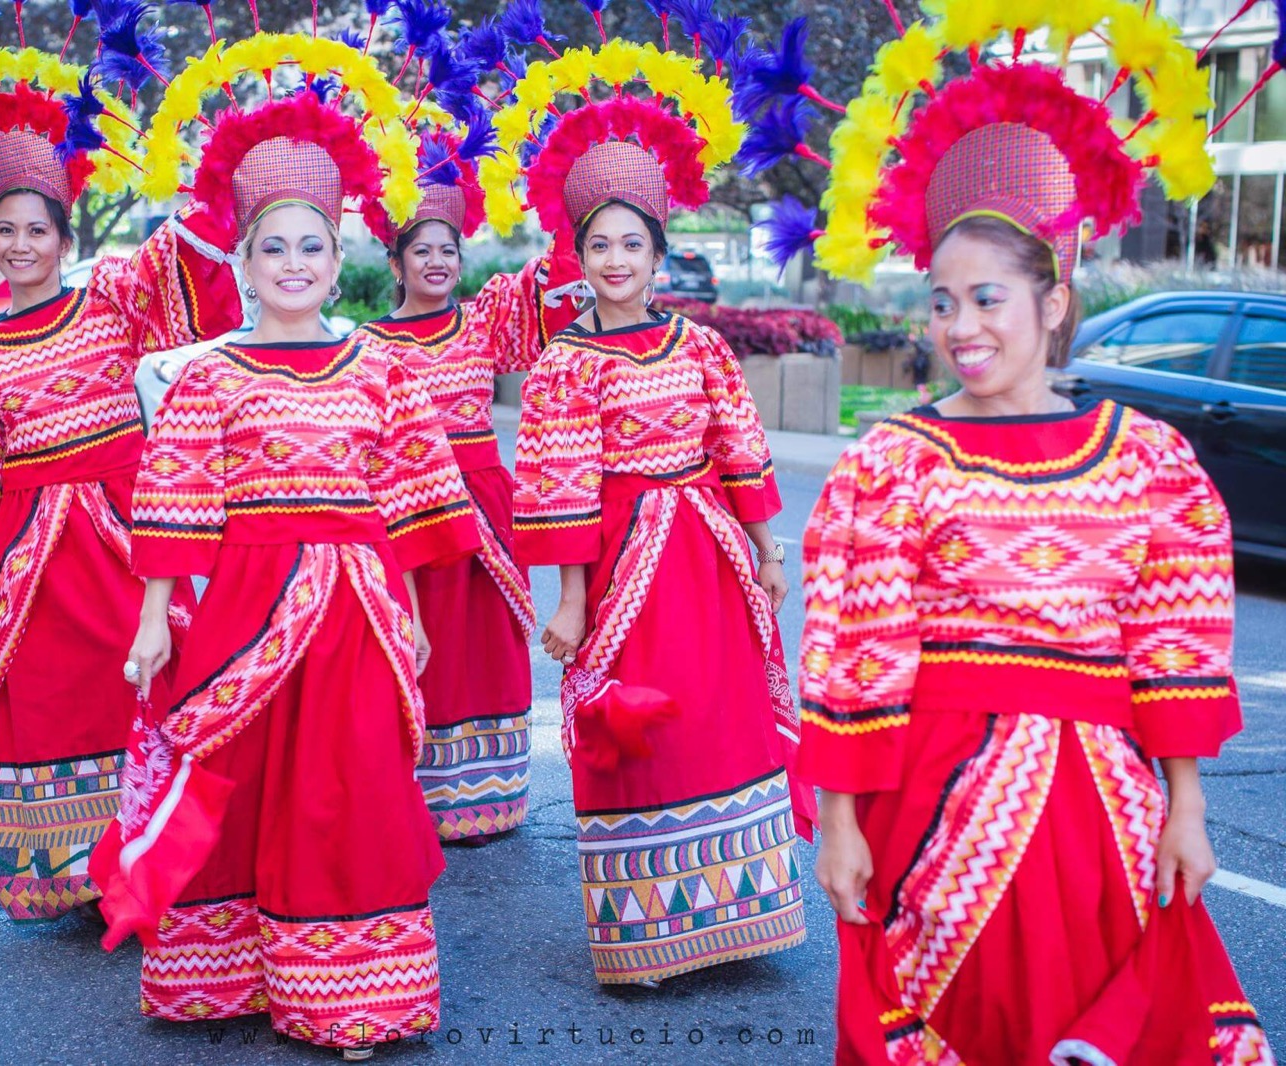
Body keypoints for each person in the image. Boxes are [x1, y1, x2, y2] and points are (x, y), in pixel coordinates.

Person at [774, 10, 1274, 1060]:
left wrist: (1187, 812)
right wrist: (839, 822)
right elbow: (850, 660)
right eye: (943, 301)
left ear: (1056, 304)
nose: (960, 326)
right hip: (930, 804)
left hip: (1102, 818)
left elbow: (1172, 645)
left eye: (988, 298)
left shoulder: (1149, 460)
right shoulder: (889, 463)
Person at [93, 51, 478, 1057]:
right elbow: (173, 506)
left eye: (312, 244)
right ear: (245, 261)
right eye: (274, 248)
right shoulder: (206, 376)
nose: (296, 263)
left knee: (348, 785)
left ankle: (353, 993)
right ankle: (225, 976)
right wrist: (148, 623)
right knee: (240, 772)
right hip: (244, 605)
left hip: (357, 604)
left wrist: (417, 625)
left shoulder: (381, 368)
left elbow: (414, 509)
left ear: (338, 251)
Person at [499, 54, 814, 987]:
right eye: (599, 245)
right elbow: (559, 489)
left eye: (632, 244)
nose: (616, 260)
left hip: (706, 557)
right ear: (580, 257)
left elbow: (743, 450)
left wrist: (766, 550)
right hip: (626, 563)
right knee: (643, 725)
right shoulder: (565, 364)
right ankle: (647, 934)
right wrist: (571, 604)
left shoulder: (703, 346)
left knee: (722, 714)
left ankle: (742, 916)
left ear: (658, 255)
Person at [0, 80, 233, 923]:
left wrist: (222, 168)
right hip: (34, 556)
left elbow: (190, 255)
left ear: (63, 237)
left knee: (151, 685)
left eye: (36, 230)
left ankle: (160, 852)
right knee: (48, 699)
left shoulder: (112, 298)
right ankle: (79, 870)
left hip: (129, 536)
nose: (20, 244)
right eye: (4, 230)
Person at [353, 125, 539, 845]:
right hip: (406, 512)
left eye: (447, 250)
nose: (436, 262)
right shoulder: (366, 345)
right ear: (395, 263)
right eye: (420, 250)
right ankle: (416, 792)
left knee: (487, 644)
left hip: (484, 501)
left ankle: (490, 794)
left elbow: (551, 291)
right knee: (414, 641)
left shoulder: (484, 319)